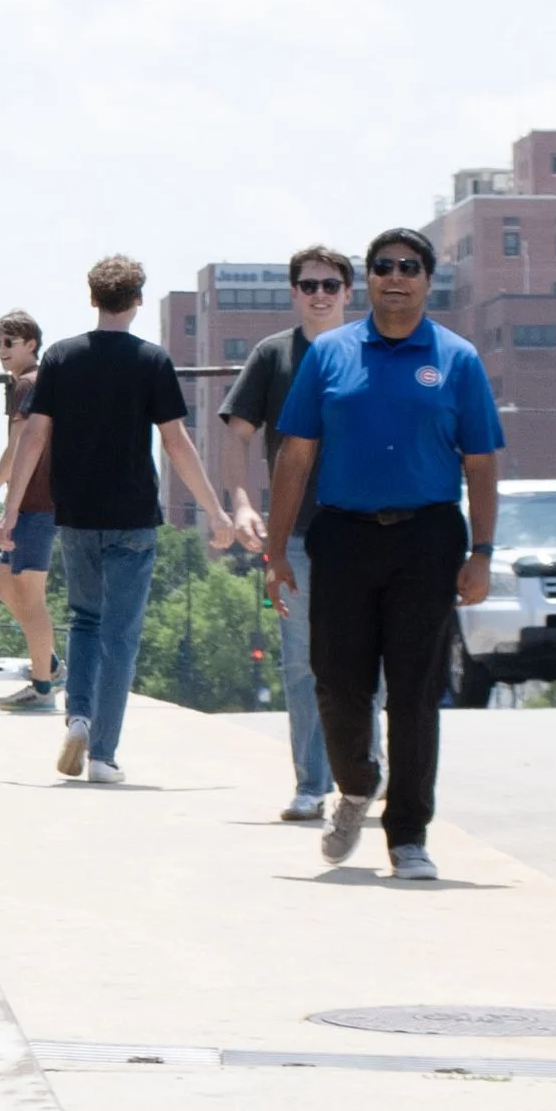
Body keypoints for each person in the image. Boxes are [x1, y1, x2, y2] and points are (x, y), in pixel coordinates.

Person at [264, 226, 502, 883]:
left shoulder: (458, 361)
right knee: (336, 680)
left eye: (409, 267)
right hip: (341, 536)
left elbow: (481, 464)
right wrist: (276, 547)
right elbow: (296, 454)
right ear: (367, 280)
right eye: (383, 267)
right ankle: (356, 779)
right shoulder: (331, 355)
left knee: (416, 693)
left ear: (428, 281)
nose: (395, 277)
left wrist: (481, 552)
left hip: (427, 539)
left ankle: (409, 837)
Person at [0, 256, 235, 784]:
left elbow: (34, 436)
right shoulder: (151, 360)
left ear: (92, 298)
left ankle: (77, 715)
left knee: (84, 619)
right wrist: (214, 509)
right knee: (121, 634)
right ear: (137, 301)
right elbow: (176, 442)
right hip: (132, 514)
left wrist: (11, 509)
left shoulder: (60, 357)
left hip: (76, 513)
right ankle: (103, 754)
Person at [221, 246, 382, 822]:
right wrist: (241, 504)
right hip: (296, 536)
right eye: (309, 285)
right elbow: (237, 435)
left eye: (331, 285)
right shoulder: (273, 356)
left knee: (367, 659)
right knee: (302, 662)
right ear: (294, 293)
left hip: (369, 531)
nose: (320, 294)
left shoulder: (374, 349)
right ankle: (312, 784)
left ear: (348, 292)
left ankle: (365, 764)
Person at [0, 309, 61, 711]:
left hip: (35, 506)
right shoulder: (35, 382)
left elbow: (17, 449)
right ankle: (45, 658)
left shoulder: (27, 386)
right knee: (3, 586)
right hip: (34, 505)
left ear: (31, 343)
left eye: (9, 342)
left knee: (30, 597)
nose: (1, 350)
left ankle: (42, 687)